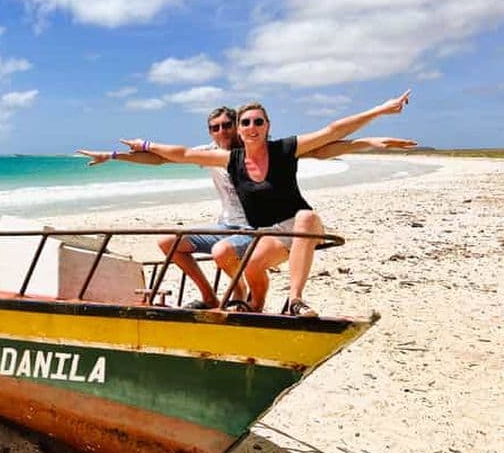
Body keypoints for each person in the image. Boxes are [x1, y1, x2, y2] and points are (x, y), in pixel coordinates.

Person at [80, 100, 415, 311]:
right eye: (217, 127)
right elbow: (168, 157)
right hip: (229, 224)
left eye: (230, 125)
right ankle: (217, 297)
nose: (223, 131)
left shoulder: (265, 150)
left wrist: (371, 135)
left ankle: (259, 298)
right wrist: (113, 155)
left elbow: (325, 142)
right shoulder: (216, 155)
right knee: (169, 243)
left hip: (254, 229)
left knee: (226, 251)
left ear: (255, 127)